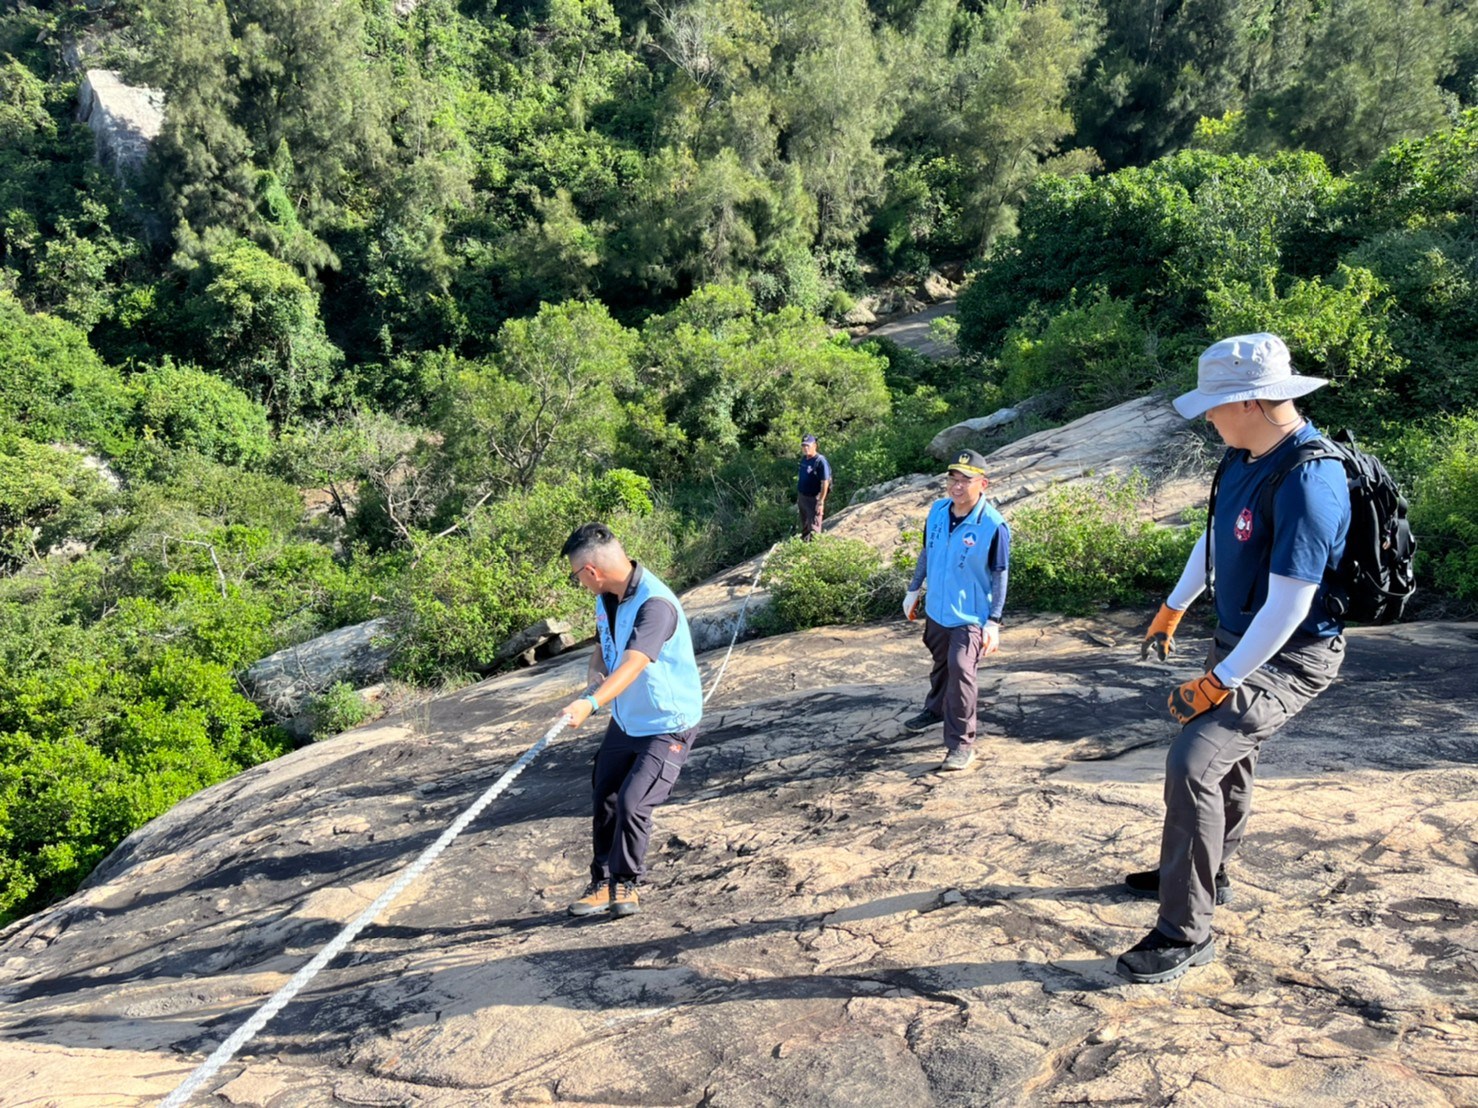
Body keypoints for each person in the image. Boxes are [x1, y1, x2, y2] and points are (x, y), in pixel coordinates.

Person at [1117, 333, 1351, 985]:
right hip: (1240, 637)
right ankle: (1206, 874)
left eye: (1215, 406)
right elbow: (1216, 537)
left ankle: (1183, 931)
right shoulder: (1245, 454)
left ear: (1250, 400)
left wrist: (1220, 681)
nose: (1207, 418)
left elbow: (1292, 605)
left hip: (1292, 654)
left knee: (1193, 761)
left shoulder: (1310, 479)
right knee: (1229, 759)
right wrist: (1173, 607)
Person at [557, 523, 704, 919]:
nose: (580, 584)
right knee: (604, 792)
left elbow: (634, 663)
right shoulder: (607, 597)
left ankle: (625, 882)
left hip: (666, 724)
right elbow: (605, 650)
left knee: (632, 802)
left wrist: (590, 702)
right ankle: (602, 881)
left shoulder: (656, 605)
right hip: (627, 721)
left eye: (576, 576)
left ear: (591, 571)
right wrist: (594, 672)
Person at [901, 448, 1010, 772]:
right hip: (937, 609)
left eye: (966, 480)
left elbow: (1000, 573)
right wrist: (913, 588)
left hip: (970, 615)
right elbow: (927, 551)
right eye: (953, 478)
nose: (957, 486)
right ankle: (935, 709)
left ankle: (961, 744)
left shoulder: (993, 525)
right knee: (941, 664)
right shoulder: (937, 511)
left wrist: (994, 621)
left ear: (983, 484)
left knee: (961, 670)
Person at [797, 434, 832, 542]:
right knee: (805, 525)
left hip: (814, 498)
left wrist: (820, 502)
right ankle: (805, 548)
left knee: (814, 528)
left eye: (808, 445)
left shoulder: (820, 461)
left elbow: (825, 483)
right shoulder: (804, 459)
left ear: (815, 445)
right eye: (803, 446)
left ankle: (815, 551)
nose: (805, 448)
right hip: (803, 497)